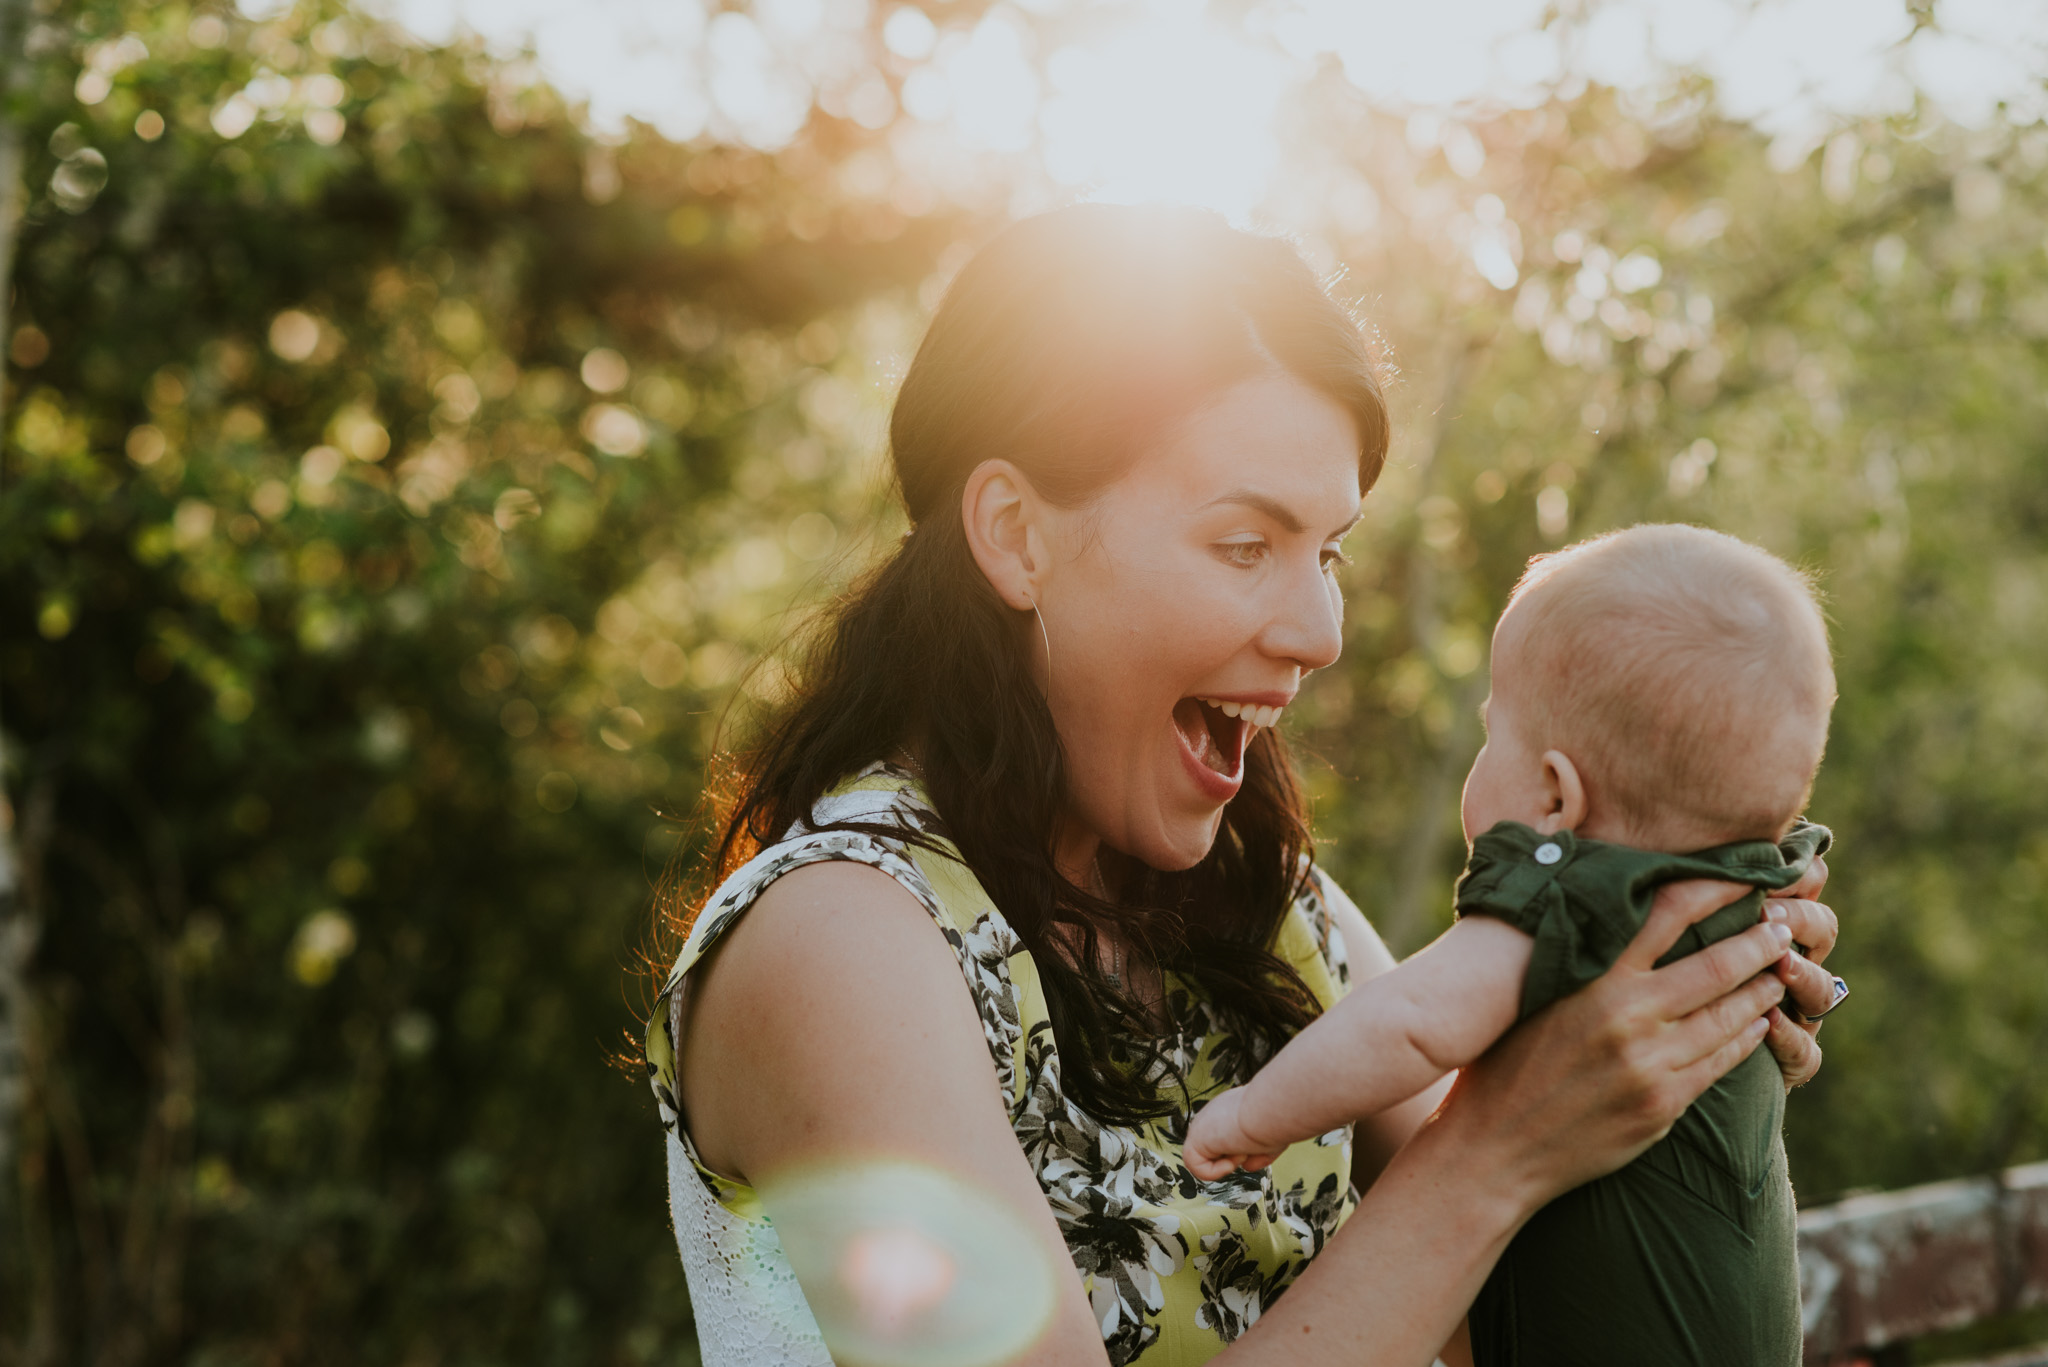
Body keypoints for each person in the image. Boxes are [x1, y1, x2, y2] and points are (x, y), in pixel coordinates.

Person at [641, 206, 1846, 1367]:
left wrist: (1682, 1011)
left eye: (1326, 550)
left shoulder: (1268, 903)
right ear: (1013, 532)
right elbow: (1490, 1162)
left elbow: (1529, 1288)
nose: (1321, 629)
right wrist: (1496, 1151)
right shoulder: (840, 938)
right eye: (1242, 544)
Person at [1185, 524, 1849, 1366]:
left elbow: (1414, 1023)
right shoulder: (1761, 896)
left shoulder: (1573, 893)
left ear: (1553, 795)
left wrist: (1257, 1112)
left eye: (1491, 734)